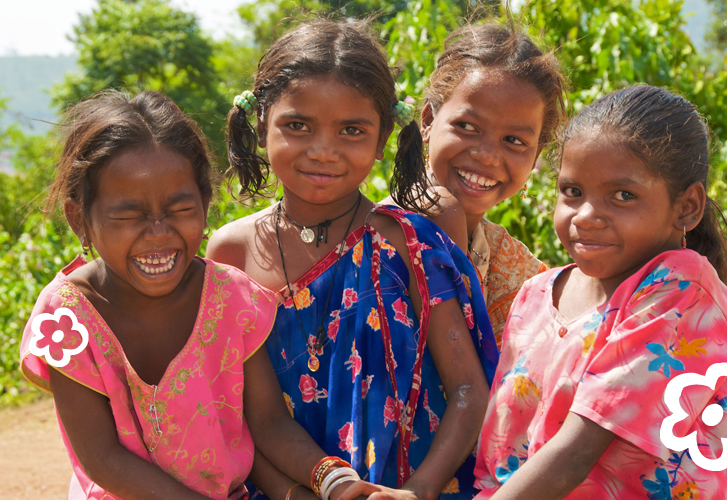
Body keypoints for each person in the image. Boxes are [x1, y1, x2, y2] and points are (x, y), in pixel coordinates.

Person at [20, 90, 375, 500]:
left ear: (204, 204)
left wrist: (334, 482)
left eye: (179, 210)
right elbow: (102, 458)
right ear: (78, 218)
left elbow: (268, 423)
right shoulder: (66, 317)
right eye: (128, 214)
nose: (158, 233)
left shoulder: (230, 298)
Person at [207, 19, 498, 500]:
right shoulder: (231, 253)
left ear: (383, 139)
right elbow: (242, 415)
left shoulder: (408, 244)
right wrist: (302, 493)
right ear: (260, 125)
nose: (323, 151)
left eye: (351, 130)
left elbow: (468, 389)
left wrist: (418, 491)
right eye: (297, 126)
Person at [473, 85, 727, 499]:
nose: (586, 216)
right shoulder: (534, 295)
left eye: (623, 196)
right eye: (572, 191)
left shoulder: (683, 289)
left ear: (687, 207)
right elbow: (500, 458)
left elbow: (577, 451)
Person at [418, 24, 568, 348]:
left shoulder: (522, 276)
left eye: (513, 140)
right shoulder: (372, 238)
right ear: (428, 121)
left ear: (535, 155)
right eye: (467, 126)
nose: (487, 156)